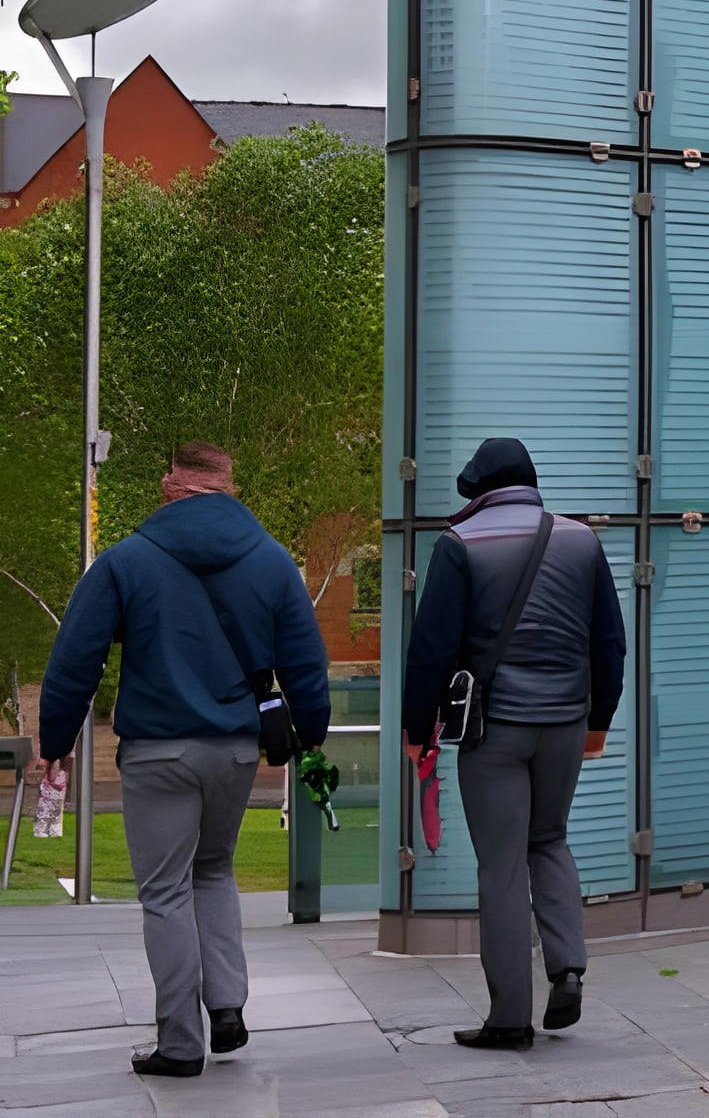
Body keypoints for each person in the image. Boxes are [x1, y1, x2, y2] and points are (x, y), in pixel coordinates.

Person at [40, 442, 331, 1079]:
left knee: (166, 891)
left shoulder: (126, 560)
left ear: (172, 482)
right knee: (215, 869)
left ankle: (179, 1042)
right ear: (227, 484)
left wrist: (55, 741)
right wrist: (311, 733)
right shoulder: (272, 559)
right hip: (235, 749)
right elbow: (305, 659)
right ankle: (227, 1007)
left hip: (157, 750)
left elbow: (75, 658)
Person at [402, 438, 626, 1050]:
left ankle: (508, 1018)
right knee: (549, 840)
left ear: (479, 487)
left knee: (501, 867)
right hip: (566, 724)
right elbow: (609, 641)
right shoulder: (580, 540)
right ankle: (568, 968)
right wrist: (599, 719)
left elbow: (431, 649)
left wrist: (418, 729)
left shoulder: (459, 543)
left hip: (495, 728)